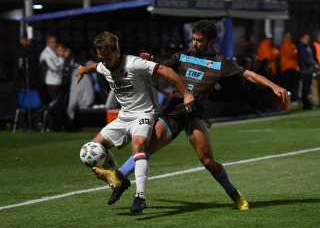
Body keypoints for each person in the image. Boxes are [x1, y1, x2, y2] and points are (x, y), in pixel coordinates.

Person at [92, 20, 288, 210]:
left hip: (195, 115)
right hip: (174, 112)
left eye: (200, 40)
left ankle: (234, 194)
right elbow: (160, 72)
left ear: (211, 42)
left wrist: (274, 86)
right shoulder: (181, 56)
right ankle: (119, 179)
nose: (195, 43)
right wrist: (150, 63)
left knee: (208, 162)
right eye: (193, 39)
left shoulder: (220, 63)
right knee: (144, 148)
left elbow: (249, 74)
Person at [75, 31, 194, 213]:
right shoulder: (104, 65)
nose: (104, 63)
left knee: (138, 146)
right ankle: (120, 181)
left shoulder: (134, 63)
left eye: (107, 58)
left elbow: (166, 70)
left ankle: (140, 196)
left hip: (144, 113)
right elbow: (95, 67)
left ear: (117, 52)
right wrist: (83, 70)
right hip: (124, 116)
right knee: (93, 149)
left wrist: (185, 93)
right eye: (101, 58)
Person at [39, 34, 65, 103]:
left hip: (58, 79)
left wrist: (58, 65)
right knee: (53, 101)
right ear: (47, 43)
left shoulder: (54, 52)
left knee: (57, 100)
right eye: (52, 42)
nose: (54, 43)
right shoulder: (45, 54)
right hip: (50, 81)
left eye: (55, 41)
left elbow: (61, 64)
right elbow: (53, 68)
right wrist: (58, 65)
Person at [297, 32, 320, 109]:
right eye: (306, 38)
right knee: (305, 88)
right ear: (302, 38)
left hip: (308, 70)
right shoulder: (301, 47)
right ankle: (305, 104)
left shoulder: (307, 46)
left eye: (308, 38)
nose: (308, 40)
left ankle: (307, 103)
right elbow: (305, 58)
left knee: (307, 87)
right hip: (305, 70)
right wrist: (314, 64)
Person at [280, 32, 300, 102]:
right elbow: (291, 53)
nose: (289, 37)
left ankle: (290, 99)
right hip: (288, 67)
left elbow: (295, 52)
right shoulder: (286, 44)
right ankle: (286, 99)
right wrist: (294, 52)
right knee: (288, 85)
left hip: (292, 67)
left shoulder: (290, 44)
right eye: (287, 36)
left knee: (291, 85)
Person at [311, 31, 320, 109]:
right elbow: (313, 56)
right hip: (316, 68)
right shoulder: (314, 45)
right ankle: (316, 103)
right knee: (315, 86)